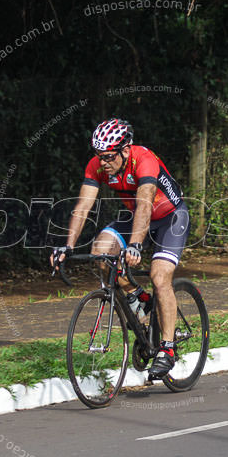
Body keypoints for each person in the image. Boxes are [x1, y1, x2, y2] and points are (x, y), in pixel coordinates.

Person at [50, 118, 190, 379]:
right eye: (98, 155)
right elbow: (82, 207)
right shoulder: (98, 165)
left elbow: (146, 201)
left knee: (160, 277)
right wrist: (67, 246)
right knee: (101, 252)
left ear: (126, 150)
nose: (103, 162)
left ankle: (168, 349)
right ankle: (139, 296)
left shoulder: (144, 160)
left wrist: (136, 244)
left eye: (109, 156)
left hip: (171, 219)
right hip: (136, 216)